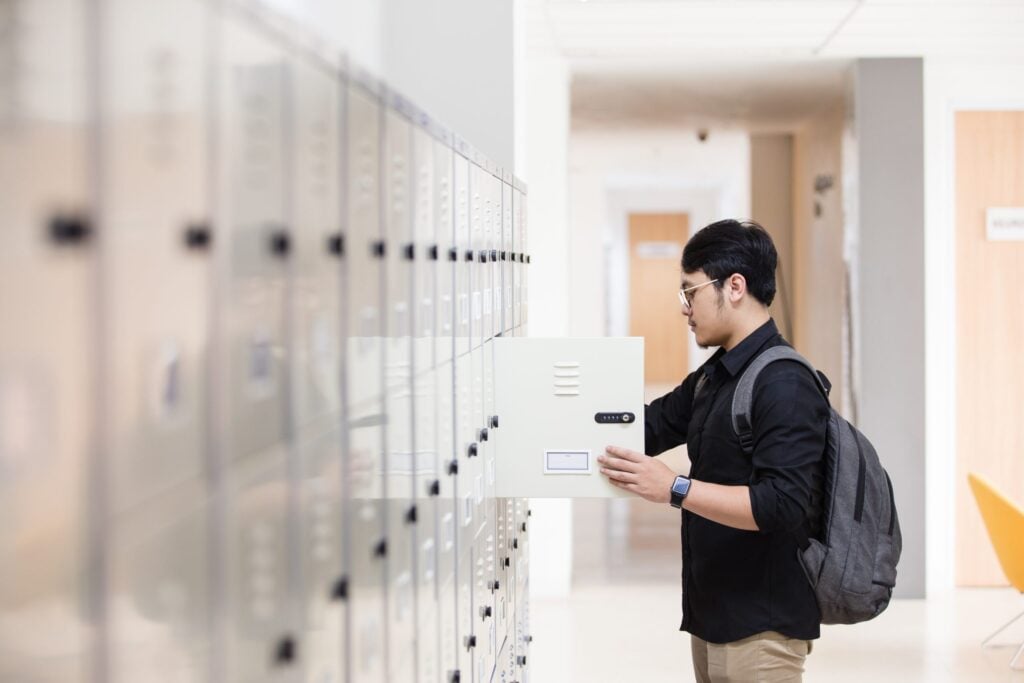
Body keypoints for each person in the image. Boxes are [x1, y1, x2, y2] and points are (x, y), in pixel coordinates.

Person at [598, 219, 829, 683]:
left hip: (762, 629)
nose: (685, 309)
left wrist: (675, 488)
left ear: (735, 286)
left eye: (691, 292)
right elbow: (650, 425)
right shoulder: (716, 375)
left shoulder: (784, 382)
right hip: (713, 615)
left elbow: (781, 505)